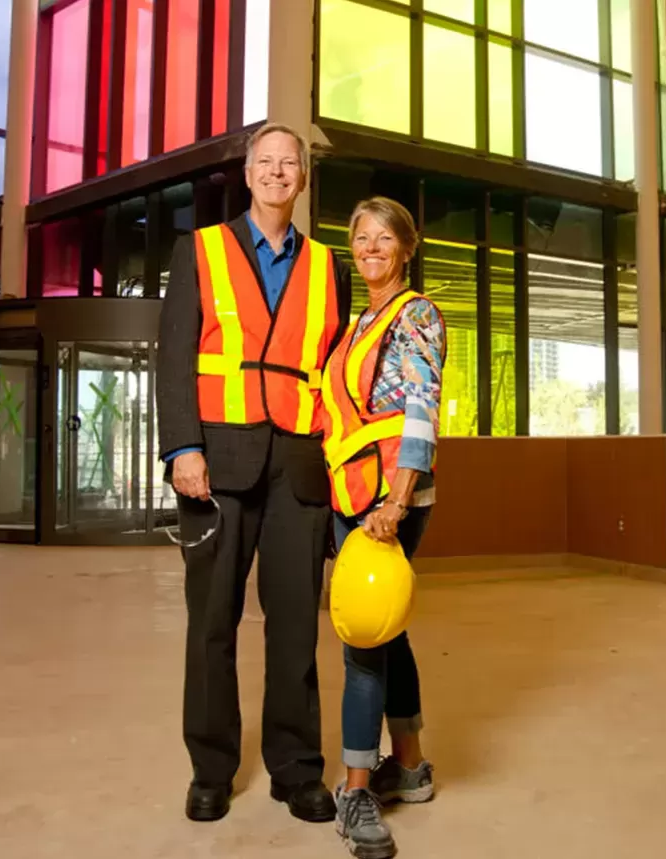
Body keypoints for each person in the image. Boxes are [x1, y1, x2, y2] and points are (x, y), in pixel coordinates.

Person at [156, 123, 352, 824]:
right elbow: (175, 354)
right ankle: (210, 767)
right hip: (217, 460)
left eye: (288, 164)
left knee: (297, 624)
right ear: (247, 173)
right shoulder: (201, 250)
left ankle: (296, 768)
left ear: (301, 178)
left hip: (297, 463)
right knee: (211, 622)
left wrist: (343, 462)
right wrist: (182, 447)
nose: (276, 173)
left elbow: (333, 371)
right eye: (265, 162)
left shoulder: (329, 265)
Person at [319, 197, 446, 859]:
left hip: (388, 498)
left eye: (382, 238)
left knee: (362, 637)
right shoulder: (358, 321)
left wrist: (396, 500)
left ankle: (356, 789)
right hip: (353, 494)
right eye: (360, 238)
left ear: (405, 246)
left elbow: (422, 407)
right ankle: (414, 767)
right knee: (387, 631)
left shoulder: (415, 313)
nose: (370, 248)